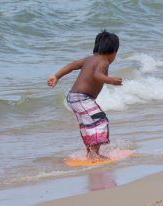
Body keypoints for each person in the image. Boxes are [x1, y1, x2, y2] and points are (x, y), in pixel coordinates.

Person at [47, 30, 122, 160]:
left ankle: (90, 153)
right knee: (100, 121)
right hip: (82, 98)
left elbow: (72, 66)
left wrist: (56, 76)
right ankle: (95, 155)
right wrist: (111, 80)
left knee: (87, 125)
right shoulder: (104, 61)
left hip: (74, 97)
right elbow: (97, 75)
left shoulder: (89, 59)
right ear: (114, 52)